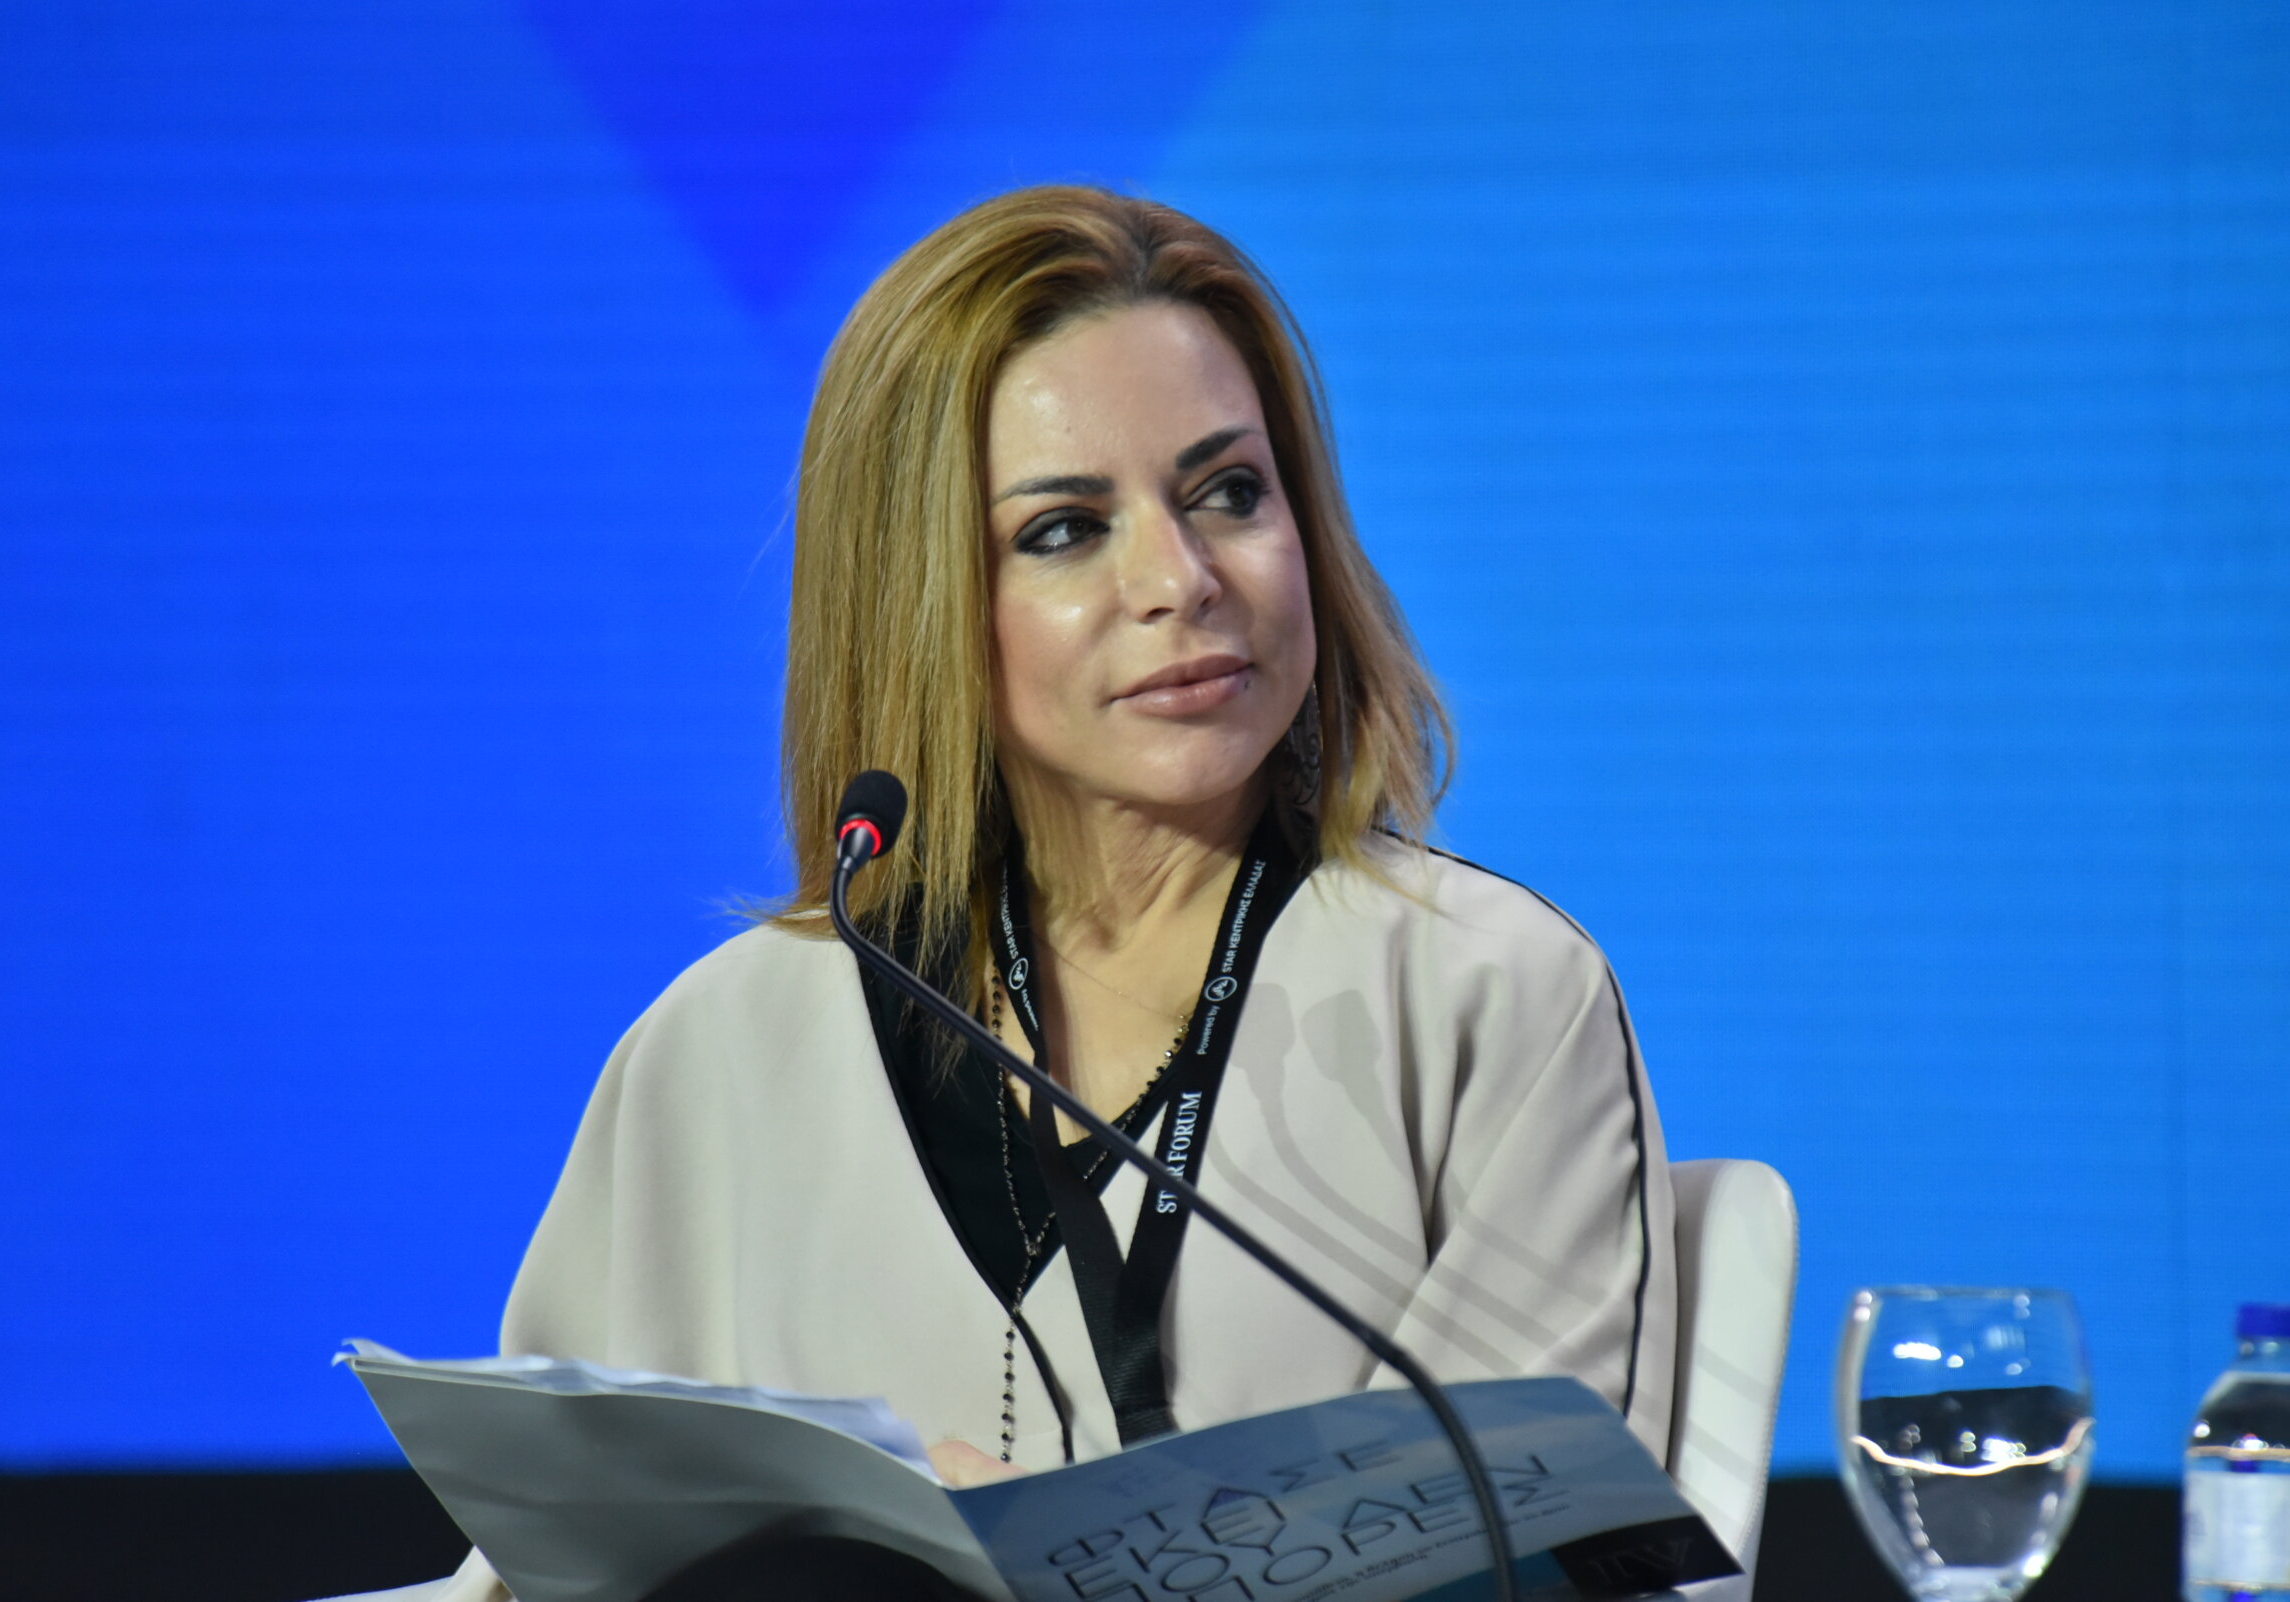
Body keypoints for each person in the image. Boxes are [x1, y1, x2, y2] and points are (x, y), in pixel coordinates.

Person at [428, 185, 1676, 1602]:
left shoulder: (1487, 992)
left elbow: (1552, 1561)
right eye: (1067, 528)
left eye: (1229, 493)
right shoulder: (723, 1047)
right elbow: (539, 1570)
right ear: (920, 599)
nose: (1180, 579)